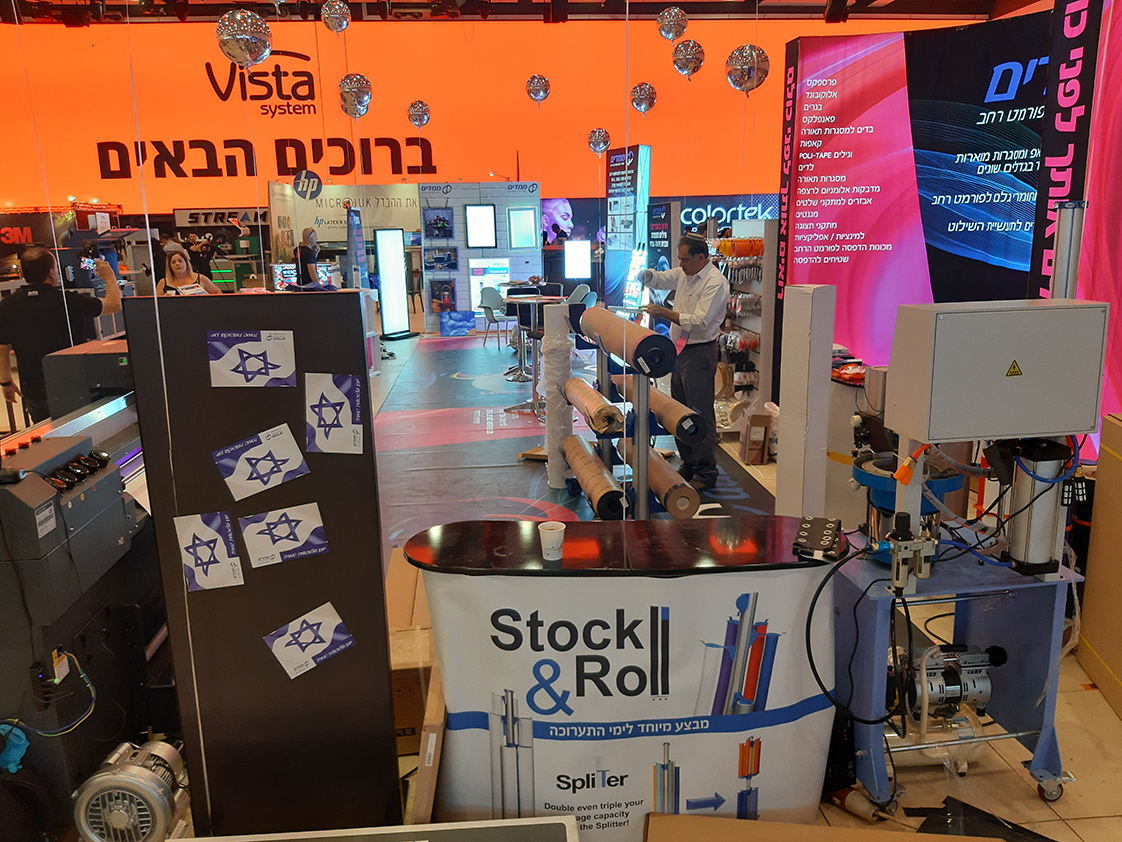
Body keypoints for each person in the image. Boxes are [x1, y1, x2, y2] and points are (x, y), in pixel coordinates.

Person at [639, 234, 729, 490]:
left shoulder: (715, 283)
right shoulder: (685, 273)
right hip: (680, 349)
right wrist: (647, 275)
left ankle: (706, 471)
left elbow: (700, 321)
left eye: (685, 260)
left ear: (701, 258)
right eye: (679, 259)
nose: (681, 264)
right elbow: (662, 278)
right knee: (680, 410)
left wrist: (664, 313)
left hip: (700, 352)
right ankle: (690, 463)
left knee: (699, 413)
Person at [0, 247, 122, 423]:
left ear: (22, 272)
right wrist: (109, 277)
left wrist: (6, 382)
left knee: (46, 433)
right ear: (51, 273)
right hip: (72, 386)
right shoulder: (68, 301)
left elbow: (3, 346)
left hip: (35, 392)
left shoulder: (6, 305)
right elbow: (114, 304)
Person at [157, 248, 222, 296]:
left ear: (186, 263)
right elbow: (156, 304)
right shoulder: (163, 283)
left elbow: (218, 293)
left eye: (180, 261)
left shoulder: (201, 278)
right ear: (169, 266)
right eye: (173, 262)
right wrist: (164, 300)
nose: (177, 264)